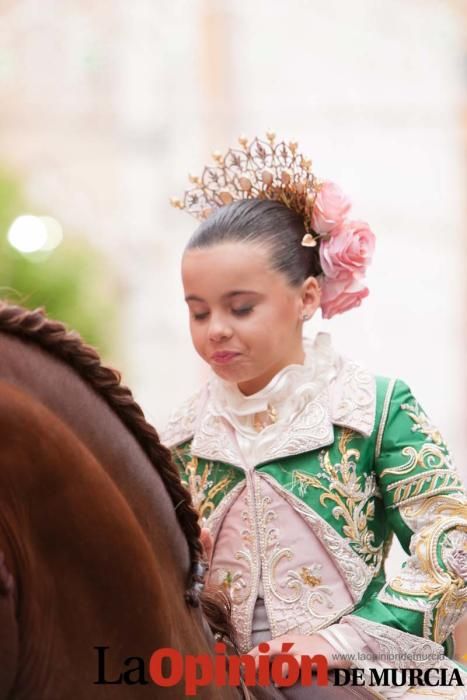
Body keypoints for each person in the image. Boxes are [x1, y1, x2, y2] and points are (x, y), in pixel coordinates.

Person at [162, 133, 467, 698]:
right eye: (198, 312)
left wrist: (338, 645)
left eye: (240, 307)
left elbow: (453, 538)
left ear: (306, 298)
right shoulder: (180, 436)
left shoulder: (374, 408)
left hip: (360, 674)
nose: (216, 330)